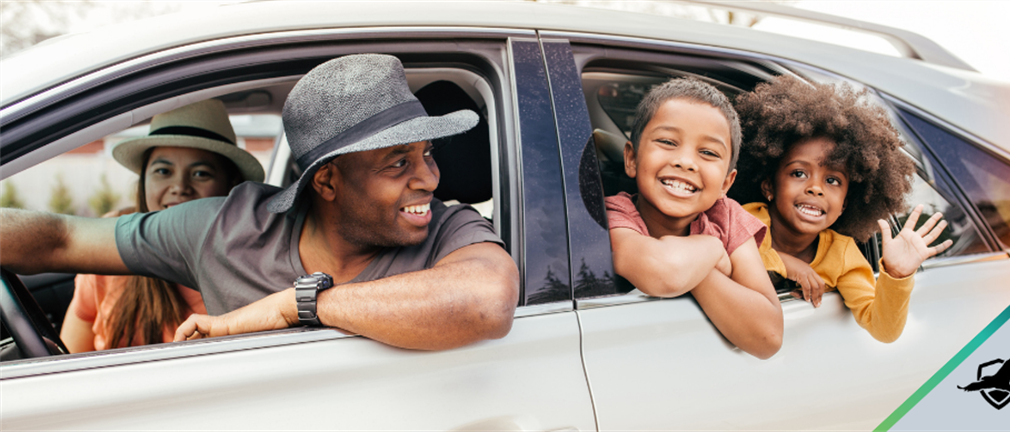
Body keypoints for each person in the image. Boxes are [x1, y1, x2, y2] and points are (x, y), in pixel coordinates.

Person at [2, 54, 519, 351]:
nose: (429, 178)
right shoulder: (224, 229)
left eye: (428, 154)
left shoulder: (450, 231)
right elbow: (61, 237)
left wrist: (293, 305)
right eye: (398, 162)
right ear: (328, 181)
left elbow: (487, 300)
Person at [731, 75, 953, 343]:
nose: (816, 188)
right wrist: (788, 265)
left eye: (833, 180)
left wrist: (896, 275)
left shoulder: (843, 255)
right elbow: (720, 253)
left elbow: (883, 329)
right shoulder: (744, 217)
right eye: (799, 173)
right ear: (769, 186)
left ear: (845, 205)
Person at [59, 100, 264, 352]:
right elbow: (67, 363)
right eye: (163, 171)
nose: (180, 187)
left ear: (231, 185)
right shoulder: (107, 246)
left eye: (201, 173)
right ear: (143, 180)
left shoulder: (253, 265)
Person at [605, 77, 783, 359]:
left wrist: (698, 270)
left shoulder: (726, 216)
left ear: (726, 183)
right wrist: (712, 250)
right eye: (667, 141)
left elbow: (768, 337)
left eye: (708, 152)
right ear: (632, 159)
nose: (686, 161)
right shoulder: (613, 215)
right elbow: (663, 272)